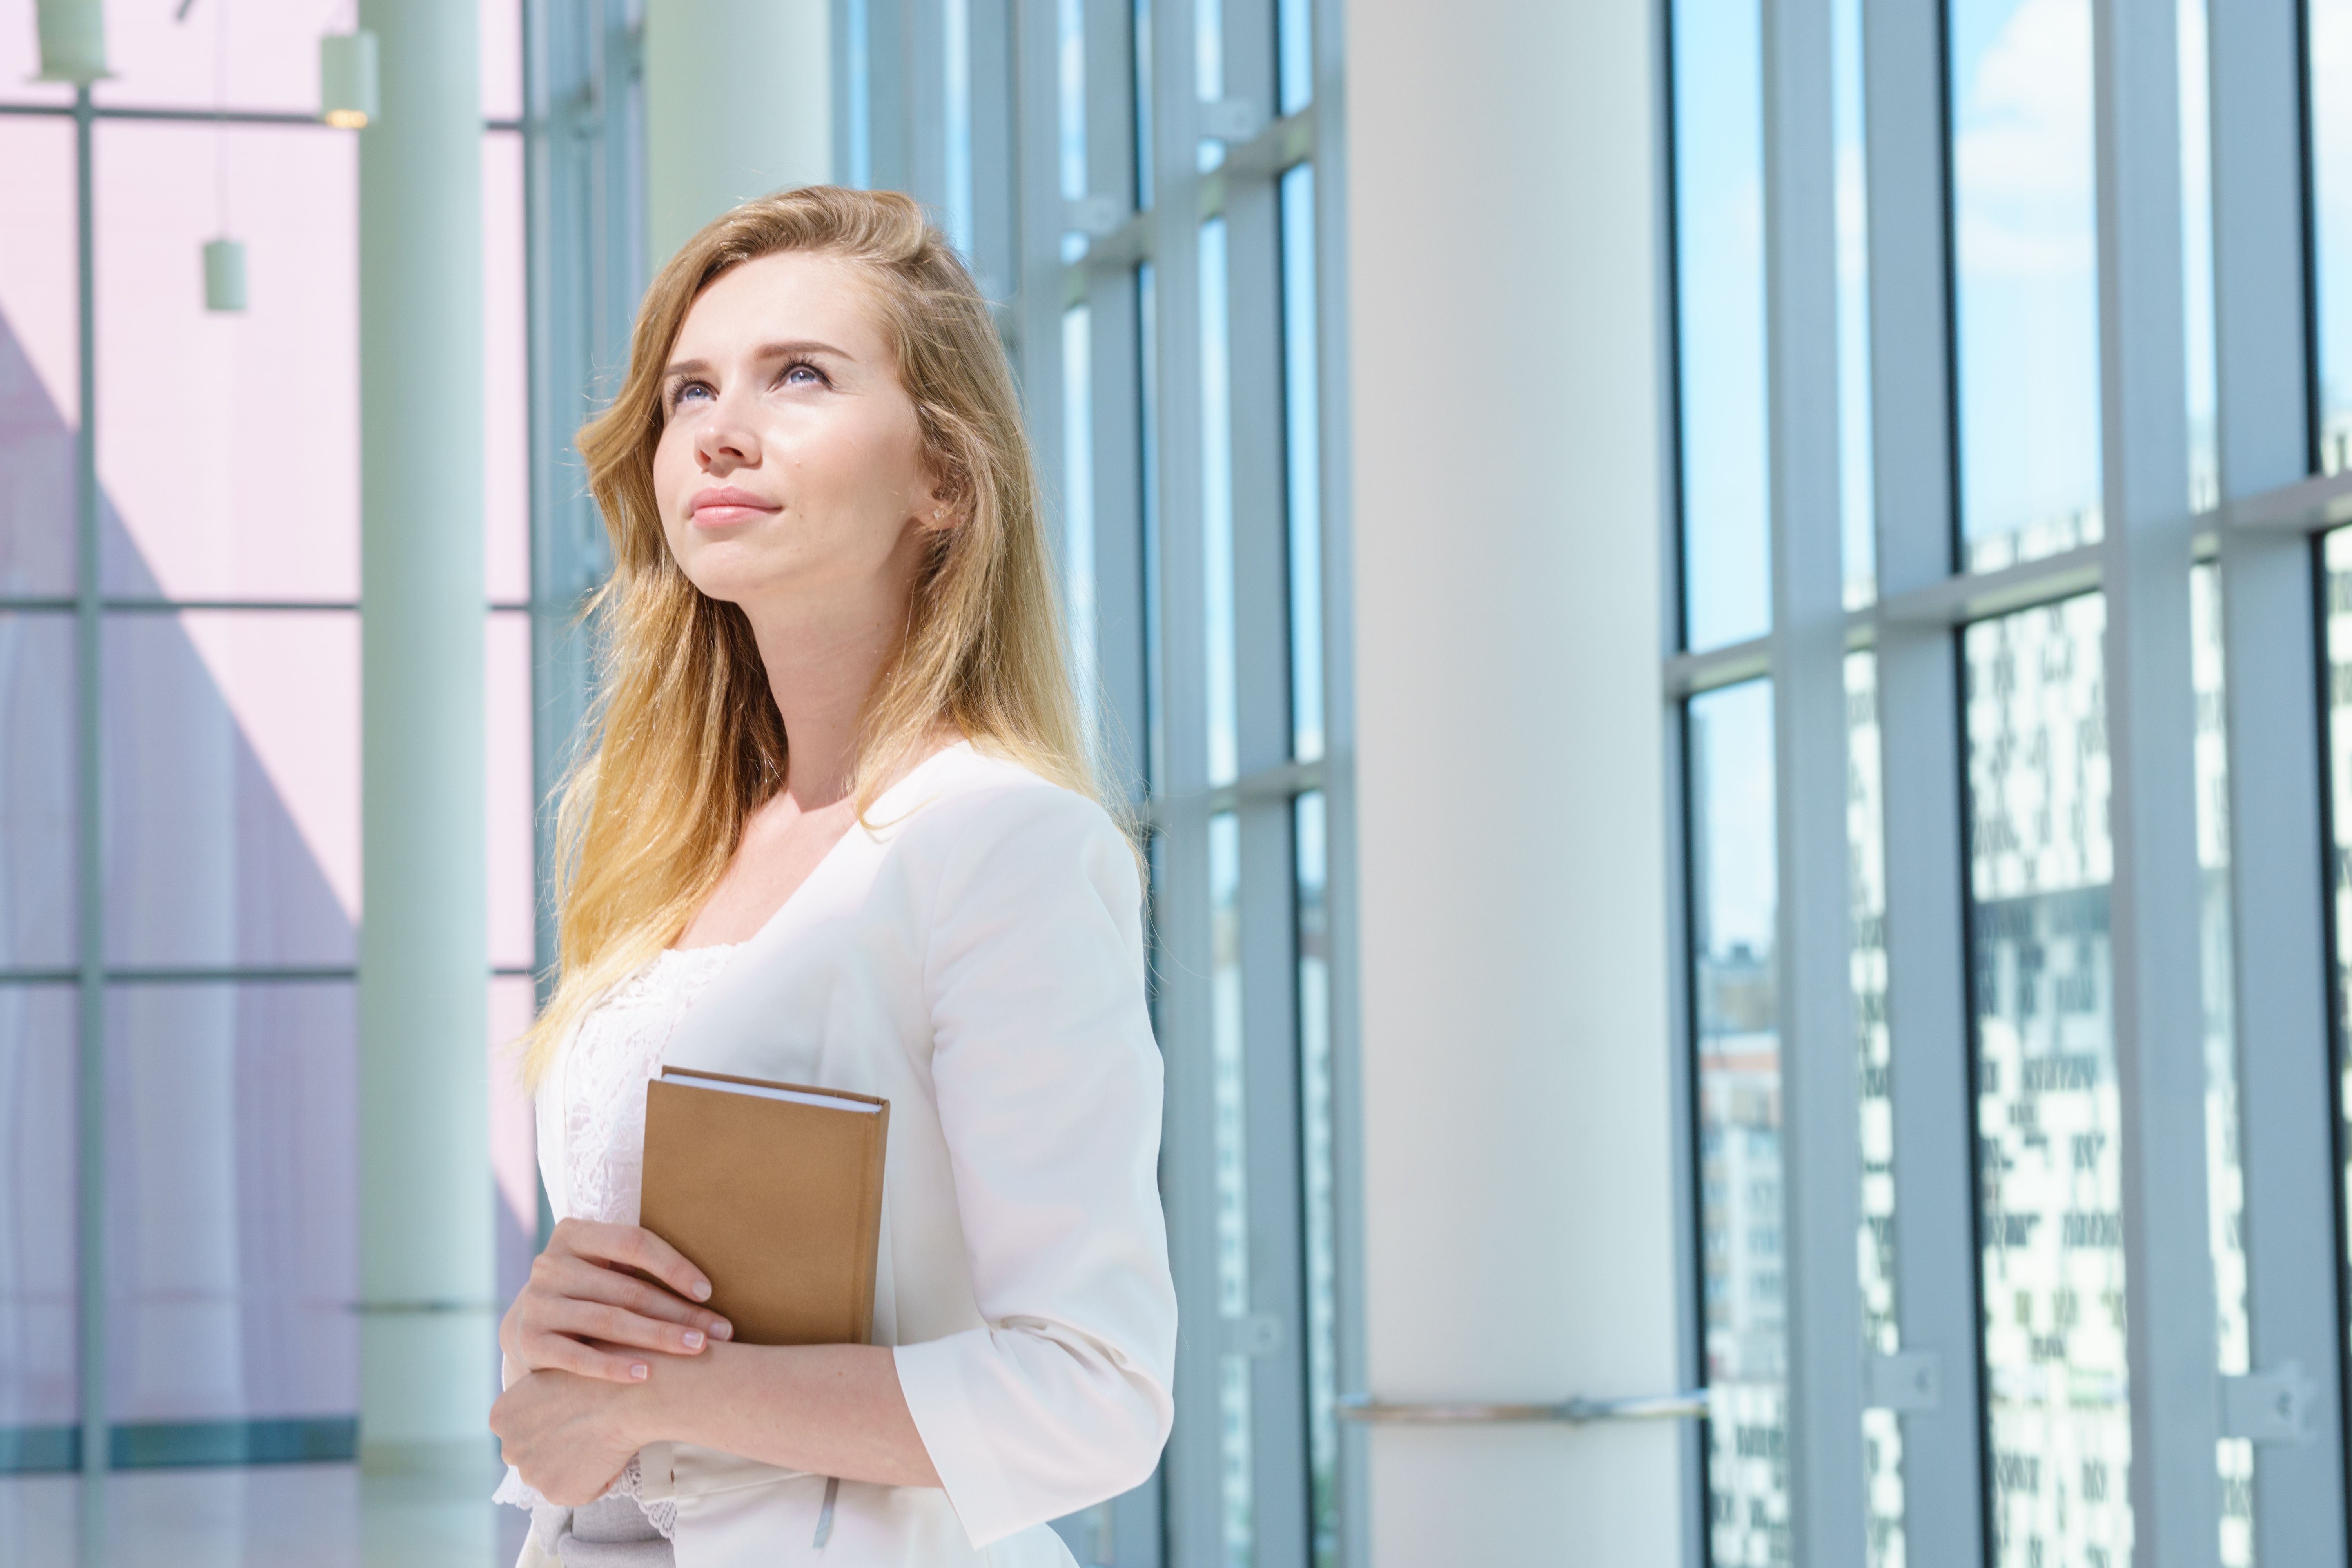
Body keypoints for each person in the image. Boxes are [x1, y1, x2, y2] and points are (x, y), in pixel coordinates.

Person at [488, 185, 1176, 1568]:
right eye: (690, 390)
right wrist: (555, 1342)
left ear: (945, 479)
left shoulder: (999, 844)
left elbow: (1094, 1394)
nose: (719, 428)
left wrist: (657, 1396)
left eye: (799, 374)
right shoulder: (670, 857)